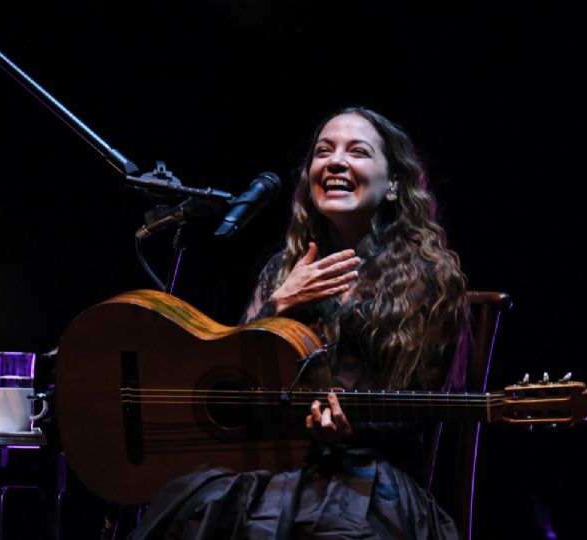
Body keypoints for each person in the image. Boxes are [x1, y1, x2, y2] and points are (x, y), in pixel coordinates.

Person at [128, 107, 472, 539]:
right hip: (273, 466)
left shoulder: (430, 278)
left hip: (369, 479)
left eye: (358, 151)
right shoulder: (283, 270)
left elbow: (421, 410)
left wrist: (349, 427)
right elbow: (236, 383)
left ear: (393, 187)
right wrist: (280, 303)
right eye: (323, 151)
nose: (335, 161)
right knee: (190, 509)